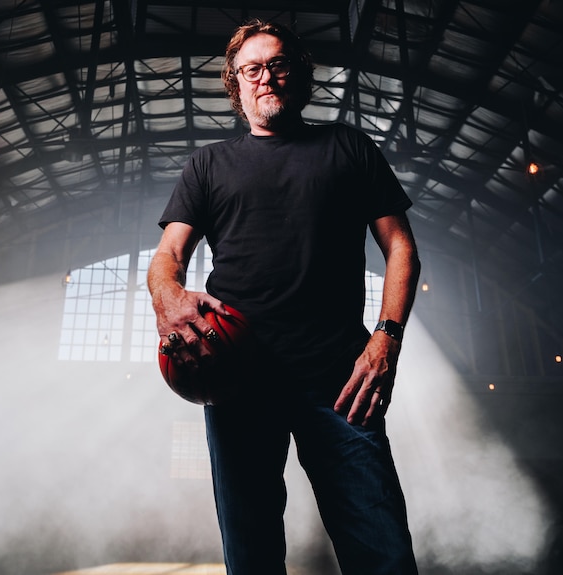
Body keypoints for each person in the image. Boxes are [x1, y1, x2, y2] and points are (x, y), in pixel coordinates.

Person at [147, 19, 420, 575]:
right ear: (236, 84)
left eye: (277, 64)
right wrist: (168, 295)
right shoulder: (207, 165)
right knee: (252, 559)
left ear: (297, 75)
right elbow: (167, 256)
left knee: (384, 555)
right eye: (252, 69)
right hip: (237, 379)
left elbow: (401, 249)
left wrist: (386, 341)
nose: (265, 76)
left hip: (341, 379)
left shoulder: (348, 146)